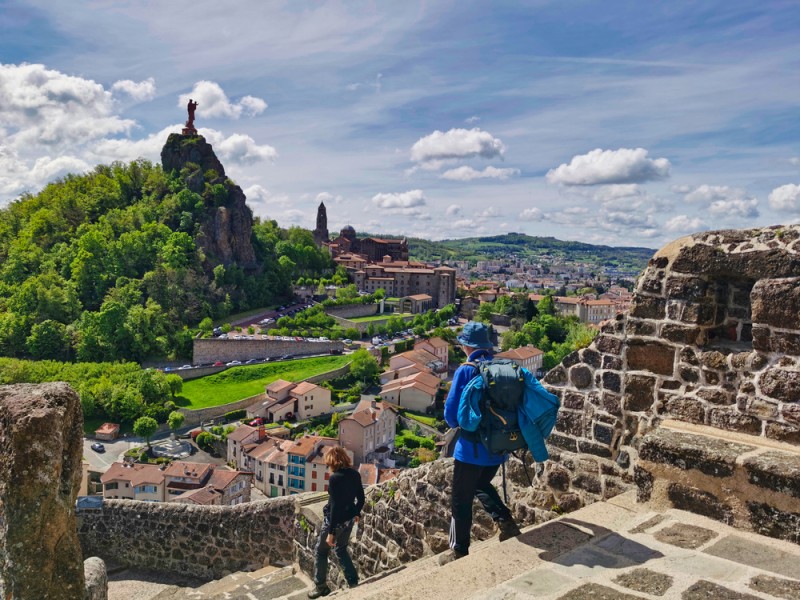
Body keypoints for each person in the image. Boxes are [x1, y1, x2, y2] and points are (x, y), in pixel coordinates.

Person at [439, 321, 521, 566]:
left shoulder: (466, 370)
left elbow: (451, 416)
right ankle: (505, 522)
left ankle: (458, 550)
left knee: (460, 500)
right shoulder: (502, 367)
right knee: (482, 483)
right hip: (499, 447)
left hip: (471, 449)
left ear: (466, 345)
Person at [308, 446, 365, 598]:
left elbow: (334, 506)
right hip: (349, 520)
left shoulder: (335, 478)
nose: (328, 467)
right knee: (341, 549)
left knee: (321, 551)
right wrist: (356, 513)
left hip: (336, 521)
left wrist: (331, 533)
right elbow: (361, 498)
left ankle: (320, 586)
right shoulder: (355, 474)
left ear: (332, 462)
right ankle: (353, 580)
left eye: (328, 464)